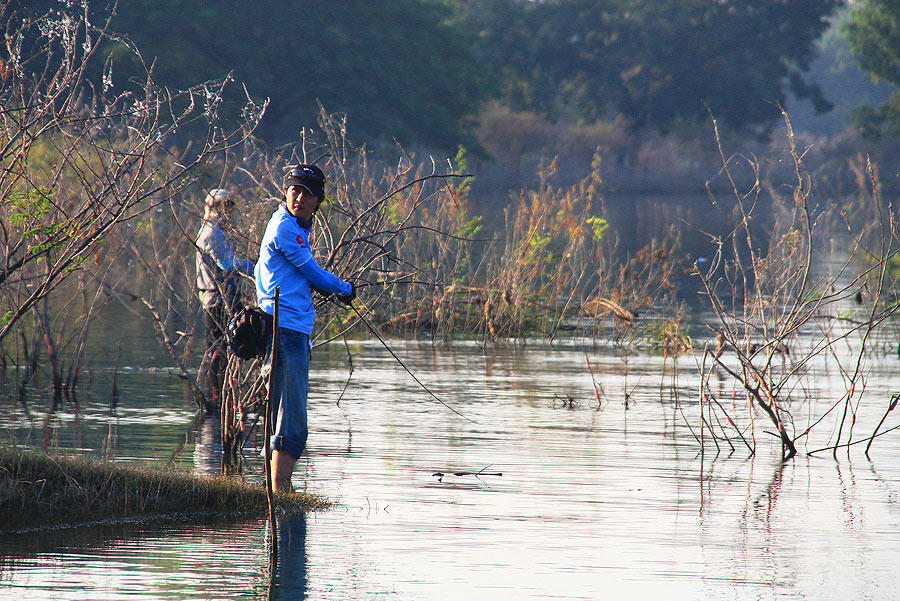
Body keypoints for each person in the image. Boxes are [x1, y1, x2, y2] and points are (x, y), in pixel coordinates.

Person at [255, 164, 355, 493]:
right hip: (285, 330)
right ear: (286, 193)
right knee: (292, 419)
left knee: (286, 413)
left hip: (291, 329)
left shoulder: (294, 226)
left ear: (318, 201)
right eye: (294, 190)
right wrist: (345, 289)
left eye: (307, 193)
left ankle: (278, 490)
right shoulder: (285, 227)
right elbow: (313, 272)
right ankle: (282, 492)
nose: (299, 197)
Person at [195, 188, 255, 411]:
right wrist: (256, 266)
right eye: (222, 206)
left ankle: (226, 397)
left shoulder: (219, 231)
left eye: (229, 206)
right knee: (218, 349)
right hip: (218, 300)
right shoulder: (212, 233)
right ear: (213, 207)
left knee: (228, 347)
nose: (227, 210)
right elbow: (227, 264)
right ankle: (217, 398)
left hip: (225, 297)